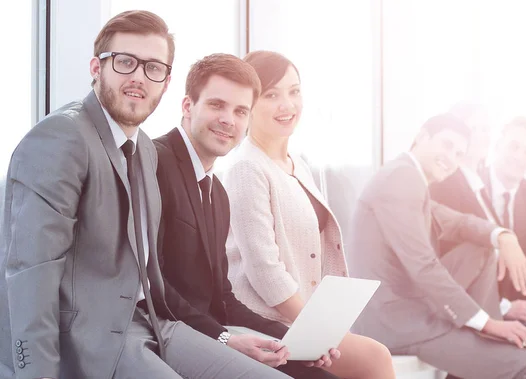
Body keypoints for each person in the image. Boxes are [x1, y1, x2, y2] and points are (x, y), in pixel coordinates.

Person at [0, 11, 290, 379]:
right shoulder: (61, 138)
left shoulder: (144, 151)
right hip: (91, 339)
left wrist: (224, 339)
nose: (139, 76)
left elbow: (152, 278)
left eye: (153, 67)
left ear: (166, 82)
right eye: (125, 62)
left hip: (153, 324)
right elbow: (29, 275)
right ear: (96, 67)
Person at [154, 53, 340, 379]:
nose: (229, 120)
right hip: (167, 335)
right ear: (187, 106)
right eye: (216, 105)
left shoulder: (216, 194)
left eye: (240, 111)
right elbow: (152, 283)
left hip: (211, 330)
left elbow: (222, 297)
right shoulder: (155, 162)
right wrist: (225, 339)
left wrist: (297, 342)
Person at [222, 50, 396, 379]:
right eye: (271, 95)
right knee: (376, 358)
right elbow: (264, 269)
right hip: (264, 323)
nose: (287, 105)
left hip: (302, 319)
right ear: (249, 103)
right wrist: (313, 330)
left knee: (373, 357)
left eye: (294, 91)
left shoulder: (297, 164)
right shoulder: (247, 168)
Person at [346, 114, 526, 378]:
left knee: (482, 247)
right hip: (397, 324)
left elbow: (456, 222)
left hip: (408, 311)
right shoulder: (402, 178)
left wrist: (501, 235)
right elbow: (423, 265)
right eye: (446, 145)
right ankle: (482, 333)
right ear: (421, 137)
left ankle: (480, 337)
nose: (451, 157)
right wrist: (487, 323)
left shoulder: (408, 177)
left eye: (458, 153)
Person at [430, 114, 526, 378]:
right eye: (514, 146)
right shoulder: (467, 186)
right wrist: (503, 307)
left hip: (516, 296)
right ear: (498, 146)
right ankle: (516, 339)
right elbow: (453, 260)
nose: (519, 156)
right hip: (477, 297)